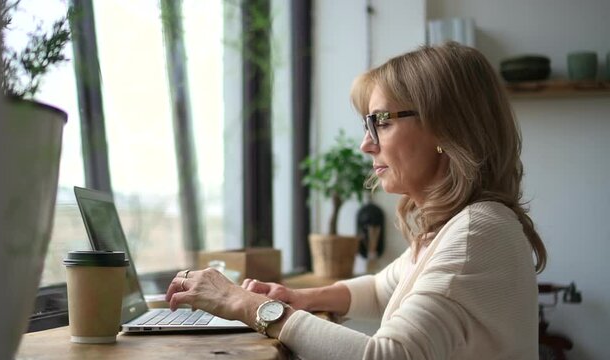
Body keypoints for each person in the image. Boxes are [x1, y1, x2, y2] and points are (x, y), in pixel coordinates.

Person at [165, 42, 547, 360]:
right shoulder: (457, 228)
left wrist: (246, 305)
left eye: (381, 121)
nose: (366, 143)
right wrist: (299, 296)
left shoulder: (475, 232)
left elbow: (387, 356)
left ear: (446, 127)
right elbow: (384, 289)